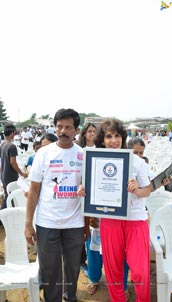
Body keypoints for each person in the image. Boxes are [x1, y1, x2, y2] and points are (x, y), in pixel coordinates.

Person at [78, 118, 151, 302]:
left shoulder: (136, 161)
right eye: (109, 136)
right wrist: (83, 190)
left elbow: (147, 190)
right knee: (113, 273)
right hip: (110, 221)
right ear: (102, 139)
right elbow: (89, 189)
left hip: (136, 221)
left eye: (117, 135)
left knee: (140, 272)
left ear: (123, 137)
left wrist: (137, 189)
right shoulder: (95, 161)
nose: (114, 140)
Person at [24, 108, 89, 302]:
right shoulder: (43, 154)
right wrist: (28, 224)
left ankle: (71, 297)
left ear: (76, 130)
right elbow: (34, 190)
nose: (63, 131)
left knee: (72, 268)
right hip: (47, 222)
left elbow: (88, 192)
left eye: (68, 127)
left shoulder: (84, 155)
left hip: (74, 223)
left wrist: (86, 223)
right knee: (50, 269)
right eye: (59, 126)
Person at [76, 122, 97, 279]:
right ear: (84, 134)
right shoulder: (80, 151)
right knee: (83, 225)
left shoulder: (100, 149)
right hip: (82, 191)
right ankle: (82, 259)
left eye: (94, 131)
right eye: (89, 131)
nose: (91, 134)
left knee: (93, 224)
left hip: (96, 191)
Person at [0, 123, 28, 209]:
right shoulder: (12, 146)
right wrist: (22, 173)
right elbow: (13, 162)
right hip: (10, 175)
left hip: (4, 174)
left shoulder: (2, 144)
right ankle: (2, 215)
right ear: (12, 133)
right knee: (10, 195)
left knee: (8, 195)